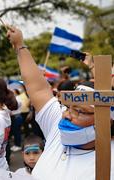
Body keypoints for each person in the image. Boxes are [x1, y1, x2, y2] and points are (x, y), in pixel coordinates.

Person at [7, 27, 114, 179]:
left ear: (108, 121)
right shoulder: (56, 125)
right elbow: (38, 89)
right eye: (68, 107)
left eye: (80, 111)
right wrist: (20, 46)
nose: (66, 115)